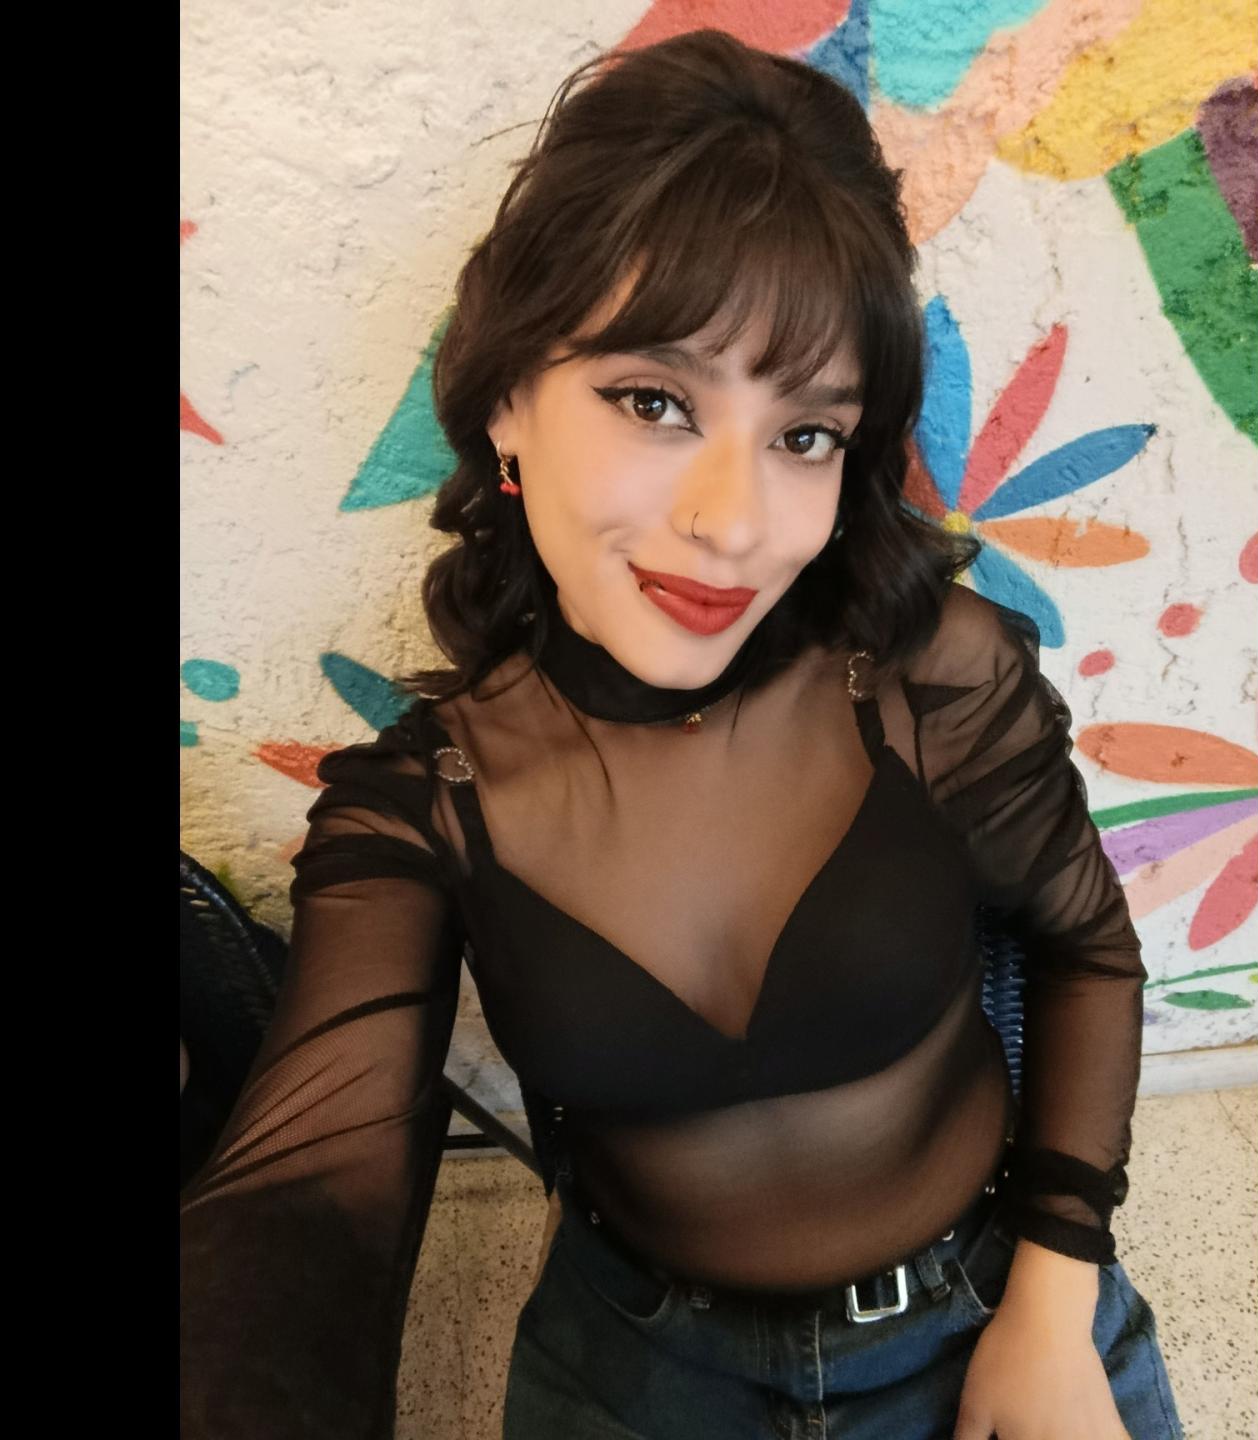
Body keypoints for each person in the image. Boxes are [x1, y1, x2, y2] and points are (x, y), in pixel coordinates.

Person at [179, 29, 1184, 1440]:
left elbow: (1087, 950)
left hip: (993, 1309)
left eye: (806, 434)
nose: (733, 523)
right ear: (508, 398)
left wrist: (1054, 1309)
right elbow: (302, 1199)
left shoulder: (927, 677)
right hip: (636, 1367)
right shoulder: (424, 804)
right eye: (655, 401)